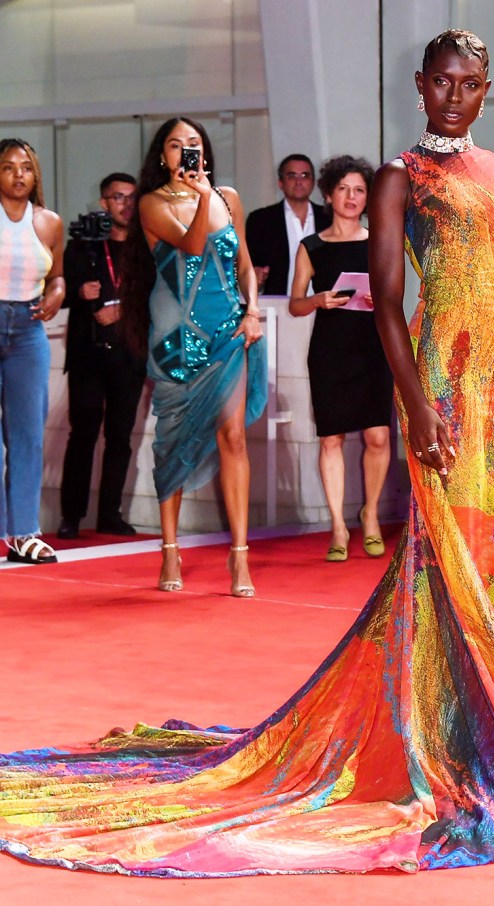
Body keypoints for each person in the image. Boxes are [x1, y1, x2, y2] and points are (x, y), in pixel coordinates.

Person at [0, 33, 494, 878]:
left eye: (472, 84)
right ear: (423, 87)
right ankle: (439, 741)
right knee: (448, 560)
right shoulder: (402, 178)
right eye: (442, 83)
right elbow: (387, 301)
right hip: (445, 383)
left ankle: (478, 732)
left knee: (491, 563)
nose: (457, 97)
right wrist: (419, 406)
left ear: (486, 87)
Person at [121, 117, 267, 595]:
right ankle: (169, 550)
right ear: (161, 155)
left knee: (234, 439)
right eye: (175, 145)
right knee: (173, 444)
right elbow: (193, 243)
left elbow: (243, 262)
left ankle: (239, 558)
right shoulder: (151, 204)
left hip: (229, 333)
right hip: (178, 339)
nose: (186, 151)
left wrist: (253, 310)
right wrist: (202, 196)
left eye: (194, 144)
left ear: (204, 152)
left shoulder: (230, 197)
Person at [289, 155, 392, 560]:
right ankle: (336, 527)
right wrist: (317, 299)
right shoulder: (311, 247)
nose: (352, 197)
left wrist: (378, 299)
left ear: (368, 197)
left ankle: (369, 516)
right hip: (330, 349)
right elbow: (295, 304)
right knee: (331, 437)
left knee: (378, 435)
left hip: (372, 345)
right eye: (344, 189)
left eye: (360, 190)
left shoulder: (381, 238)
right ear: (329, 195)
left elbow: (396, 294)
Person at [57, 172, 146, 540]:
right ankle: (71, 517)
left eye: (131, 197)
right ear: (104, 203)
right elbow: (60, 292)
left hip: (129, 355)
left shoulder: (145, 248)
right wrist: (80, 291)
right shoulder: (82, 246)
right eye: (118, 197)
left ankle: (110, 513)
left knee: (121, 438)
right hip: (88, 354)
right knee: (83, 435)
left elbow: (153, 296)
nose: (126, 204)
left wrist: (120, 308)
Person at [0, 138, 64, 565]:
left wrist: (57, 294)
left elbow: (57, 277)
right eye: (8, 167)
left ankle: (23, 533)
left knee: (26, 436)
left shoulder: (49, 222)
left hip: (28, 331)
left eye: (25, 167)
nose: (18, 174)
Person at [246, 154, 331, 295]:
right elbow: (247, 266)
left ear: (313, 182)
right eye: (292, 176)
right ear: (280, 183)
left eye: (305, 175)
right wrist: (254, 275)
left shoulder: (328, 218)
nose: (299, 182)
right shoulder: (261, 220)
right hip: (277, 305)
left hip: (322, 305)